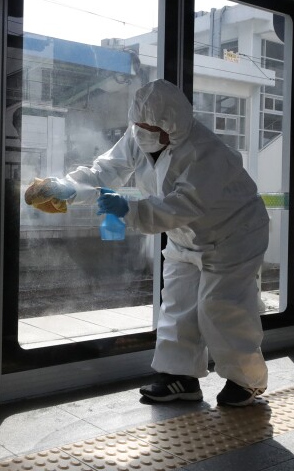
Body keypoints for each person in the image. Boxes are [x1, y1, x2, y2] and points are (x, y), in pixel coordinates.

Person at [24, 79, 270, 407]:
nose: (142, 132)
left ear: (174, 125)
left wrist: (128, 209)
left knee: (221, 307)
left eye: (150, 127)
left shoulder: (208, 153)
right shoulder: (138, 135)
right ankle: (180, 378)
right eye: (138, 125)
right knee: (178, 305)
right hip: (186, 238)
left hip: (234, 235)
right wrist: (67, 186)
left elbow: (182, 206)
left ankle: (247, 381)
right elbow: (105, 171)